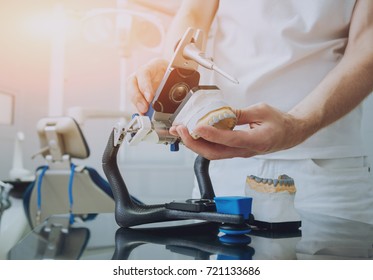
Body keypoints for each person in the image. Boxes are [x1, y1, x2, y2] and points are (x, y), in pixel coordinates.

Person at [127, 0, 373, 224]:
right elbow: (194, 11)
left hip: (327, 171)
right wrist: (174, 66)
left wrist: (299, 124)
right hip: (224, 168)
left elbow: (367, 45)